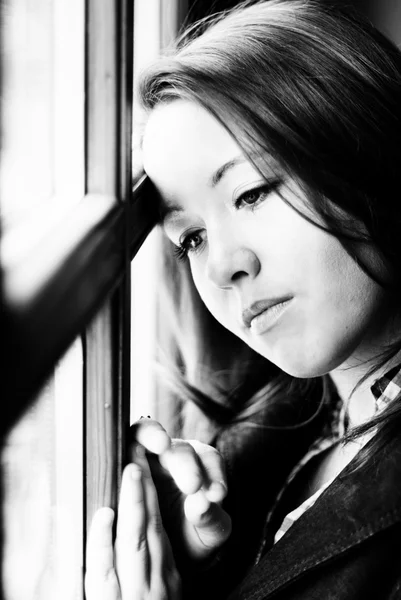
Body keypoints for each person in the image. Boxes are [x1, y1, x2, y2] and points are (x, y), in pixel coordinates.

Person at [85, 1, 401, 598]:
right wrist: (198, 561)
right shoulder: (289, 425)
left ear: (364, 149)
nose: (226, 265)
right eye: (192, 238)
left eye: (252, 193)